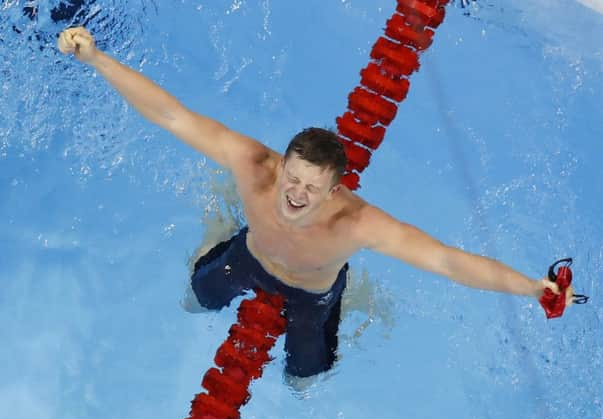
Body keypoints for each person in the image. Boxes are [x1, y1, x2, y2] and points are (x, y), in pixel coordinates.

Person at [57, 27, 574, 378]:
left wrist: (531, 287)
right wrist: (97, 57)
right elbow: (172, 116)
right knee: (194, 299)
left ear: (334, 192)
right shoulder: (253, 166)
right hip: (249, 256)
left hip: (313, 295)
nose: (296, 193)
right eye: (293, 178)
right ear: (282, 165)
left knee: (304, 381)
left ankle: (351, 291)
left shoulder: (356, 222)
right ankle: (218, 227)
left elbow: (444, 259)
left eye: (312, 188)